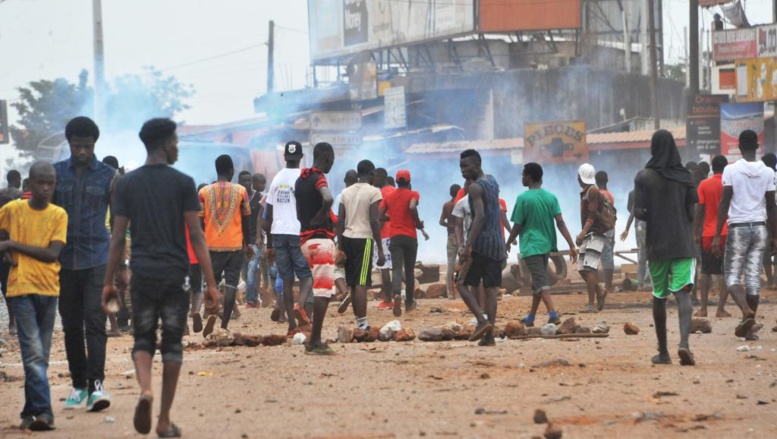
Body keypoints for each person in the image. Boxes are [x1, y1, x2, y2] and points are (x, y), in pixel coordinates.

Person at [101, 118, 221, 437]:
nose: (178, 147)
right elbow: (196, 237)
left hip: (142, 274)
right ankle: (164, 419)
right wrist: (210, 283)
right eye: (177, 142)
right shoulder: (183, 183)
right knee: (172, 346)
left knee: (142, 338)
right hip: (175, 275)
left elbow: (116, 237)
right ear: (166, 144)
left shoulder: (126, 184)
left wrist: (108, 281)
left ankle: (145, 390)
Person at [54, 116, 116, 412]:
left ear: (95, 145)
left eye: (88, 146)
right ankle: (78, 385)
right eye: (77, 146)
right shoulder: (55, 175)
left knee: (96, 323)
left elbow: (119, 223)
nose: (82, 151)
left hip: (97, 260)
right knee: (70, 326)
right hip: (64, 262)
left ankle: (97, 386)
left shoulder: (109, 176)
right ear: (69, 144)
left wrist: (122, 264)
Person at [1, 162, 67, 431]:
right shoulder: (13, 210)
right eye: (41, 183)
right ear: (29, 184)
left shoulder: (58, 214)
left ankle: (30, 411)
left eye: (50, 183)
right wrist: (4, 247)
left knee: (41, 356)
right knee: (33, 355)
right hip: (20, 290)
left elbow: (52, 254)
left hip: (49, 290)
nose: (46, 188)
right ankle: (45, 412)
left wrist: (12, 244)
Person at [634, 130, 698, 366]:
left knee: (659, 296)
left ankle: (664, 352)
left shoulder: (644, 177)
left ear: (653, 148)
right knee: (683, 294)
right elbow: (692, 212)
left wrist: (655, 211)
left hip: (657, 246)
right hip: (682, 244)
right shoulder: (686, 177)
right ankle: (684, 344)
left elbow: (638, 212)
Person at [713, 130, 777, 341]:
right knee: (752, 278)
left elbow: (724, 203)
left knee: (731, 275)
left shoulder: (731, 170)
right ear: (757, 146)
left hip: (738, 228)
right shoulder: (768, 172)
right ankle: (748, 328)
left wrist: (716, 235)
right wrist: (774, 237)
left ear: (739, 147)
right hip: (760, 227)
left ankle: (747, 313)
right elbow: (771, 206)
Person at [506, 163, 578, 326]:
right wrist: (571, 245)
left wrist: (508, 242)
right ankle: (531, 317)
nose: (522, 178)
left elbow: (518, 225)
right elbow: (560, 222)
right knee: (538, 281)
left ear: (530, 177)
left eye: (523, 175)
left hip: (531, 246)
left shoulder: (523, 198)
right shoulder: (551, 197)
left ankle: (553, 314)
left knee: (541, 282)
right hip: (546, 245)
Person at [198, 154, 251, 335]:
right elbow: (246, 220)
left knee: (210, 284)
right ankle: (224, 326)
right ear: (231, 171)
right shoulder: (242, 191)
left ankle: (213, 312)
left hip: (210, 246)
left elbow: (199, 223)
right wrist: (249, 243)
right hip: (235, 246)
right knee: (231, 285)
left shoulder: (203, 192)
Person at [457, 149, 505, 346]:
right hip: (497, 242)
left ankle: (482, 320)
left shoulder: (475, 188)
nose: (462, 170)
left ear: (477, 164)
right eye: (460, 167)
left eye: (466, 166)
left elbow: (480, 215)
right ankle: (489, 336)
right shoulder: (492, 181)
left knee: (460, 283)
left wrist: (467, 245)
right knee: (491, 289)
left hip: (480, 244)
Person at [265, 141, 314, 334]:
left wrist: (269, 243)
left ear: (285, 157)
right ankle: (300, 306)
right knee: (306, 276)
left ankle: (292, 325)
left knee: (285, 277)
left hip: (279, 233)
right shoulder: (304, 178)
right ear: (301, 157)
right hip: (298, 233)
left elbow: (267, 213)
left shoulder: (277, 179)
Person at [295, 142, 337, 354]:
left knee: (320, 287)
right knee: (323, 291)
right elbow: (328, 198)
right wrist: (322, 215)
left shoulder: (300, 179)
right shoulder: (319, 177)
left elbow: (298, 212)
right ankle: (315, 341)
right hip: (320, 240)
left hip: (305, 241)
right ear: (328, 158)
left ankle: (315, 338)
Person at [337, 160, 385, 330]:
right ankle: (363, 323)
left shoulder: (345, 192)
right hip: (364, 239)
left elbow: (340, 220)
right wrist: (380, 248)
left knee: (352, 282)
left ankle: (360, 322)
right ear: (371, 174)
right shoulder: (374, 192)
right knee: (362, 283)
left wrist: (340, 247)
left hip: (348, 238)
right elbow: (374, 220)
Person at [380, 170, 425, 316]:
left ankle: (397, 293)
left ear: (396, 180)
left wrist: (392, 218)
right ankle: (409, 302)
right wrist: (417, 223)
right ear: (409, 181)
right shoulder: (413, 194)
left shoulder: (389, 196)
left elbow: (380, 216)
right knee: (410, 270)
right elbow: (412, 207)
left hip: (395, 237)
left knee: (397, 268)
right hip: (410, 236)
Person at [694, 155, 731, 318]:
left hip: (708, 233)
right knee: (725, 271)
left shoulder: (704, 184)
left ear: (712, 167)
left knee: (706, 271)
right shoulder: (729, 183)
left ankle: (703, 309)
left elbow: (699, 210)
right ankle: (720, 309)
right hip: (728, 231)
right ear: (726, 167)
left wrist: (696, 232)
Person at [576, 163, 611, 313]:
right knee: (581, 268)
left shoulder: (593, 191)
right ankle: (600, 290)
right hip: (589, 234)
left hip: (594, 234)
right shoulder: (587, 191)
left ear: (580, 177)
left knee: (589, 269)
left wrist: (583, 232)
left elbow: (592, 214)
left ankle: (591, 304)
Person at [0, 169, 23, 334]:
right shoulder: (19, 195)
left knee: (5, 284)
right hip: (10, 244)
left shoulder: (1, 193)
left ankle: (13, 323)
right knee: (11, 283)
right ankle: (12, 322)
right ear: (16, 179)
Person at [238, 171, 264, 308]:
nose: (246, 183)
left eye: (248, 181)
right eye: (243, 181)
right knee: (244, 271)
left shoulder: (258, 197)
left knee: (252, 268)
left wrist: (260, 236)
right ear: (239, 182)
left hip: (255, 239)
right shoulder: (236, 197)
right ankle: (254, 298)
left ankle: (249, 300)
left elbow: (261, 218)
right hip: (240, 240)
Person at [334, 170, 358, 314]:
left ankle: (344, 292)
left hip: (345, 235)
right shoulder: (364, 194)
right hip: (360, 236)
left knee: (336, 267)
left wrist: (338, 242)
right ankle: (355, 296)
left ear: (345, 180)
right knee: (355, 267)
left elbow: (338, 220)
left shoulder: (341, 195)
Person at [372, 168, 394, 310]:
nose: (373, 180)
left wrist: (375, 234)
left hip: (385, 234)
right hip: (397, 232)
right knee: (397, 267)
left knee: (384, 268)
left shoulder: (381, 194)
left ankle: (388, 300)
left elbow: (380, 217)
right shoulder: (395, 190)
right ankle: (403, 296)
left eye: (374, 177)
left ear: (380, 177)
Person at [620, 189, 651, 290]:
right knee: (651, 254)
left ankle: (640, 283)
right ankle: (647, 283)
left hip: (639, 227)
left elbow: (632, 213)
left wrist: (626, 229)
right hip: (649, 227)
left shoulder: (638, 198)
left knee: (642, 255)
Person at [595, 170, 616, 294]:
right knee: (608, 254)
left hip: (600, 228)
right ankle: (609, 284)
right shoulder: (610, 195)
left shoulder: (597, 194)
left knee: (597, 255)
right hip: (610, 227)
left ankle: (600, 285)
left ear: (596, 182)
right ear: (607, 181)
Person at [439, 184, 461, 300]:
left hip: (451, 235)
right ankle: (460, 289)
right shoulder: (462, 204)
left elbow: (441, 221)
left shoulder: (447, 205)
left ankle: (450, 292)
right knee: (463, 262)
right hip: (461, 236)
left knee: (450, 264)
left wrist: (450, 225)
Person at [761, 153, 777, 289]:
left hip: (765, 217)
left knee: (765, 248)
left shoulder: (762, 178)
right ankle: (776, 280)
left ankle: (770, 280)